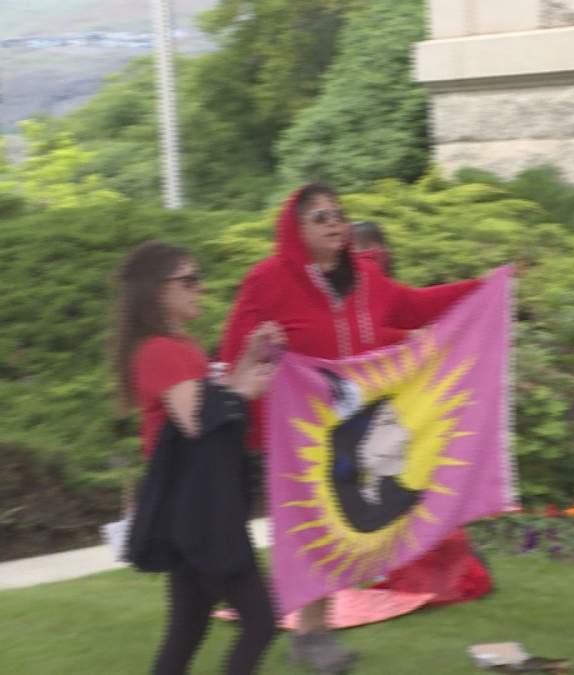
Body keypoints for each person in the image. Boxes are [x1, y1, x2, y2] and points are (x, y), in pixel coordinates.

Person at [219, 183, 492, 673]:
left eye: (338, 215)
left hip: (358, 424)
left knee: (342, 527)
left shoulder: (365, 278)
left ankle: (312, 631)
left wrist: (480, 289)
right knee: (310, 529)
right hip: (298, 433)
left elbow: (414, 307)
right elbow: (237, 349)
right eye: (320, 217)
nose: (334, 224)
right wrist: (256, 379)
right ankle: (313, 634)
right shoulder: (266, 280)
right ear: (295, 229)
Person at [114, 241, 281, 674]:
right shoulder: (159, 350)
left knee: (186, 631)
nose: (200, 288)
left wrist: (249, 356)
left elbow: (214, 404)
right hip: (200, 512)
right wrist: (243, 393)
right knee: (261, 622)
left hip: (197, 505)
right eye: (188, 280)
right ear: (157, 290)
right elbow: (198, 422)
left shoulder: (182, 345)